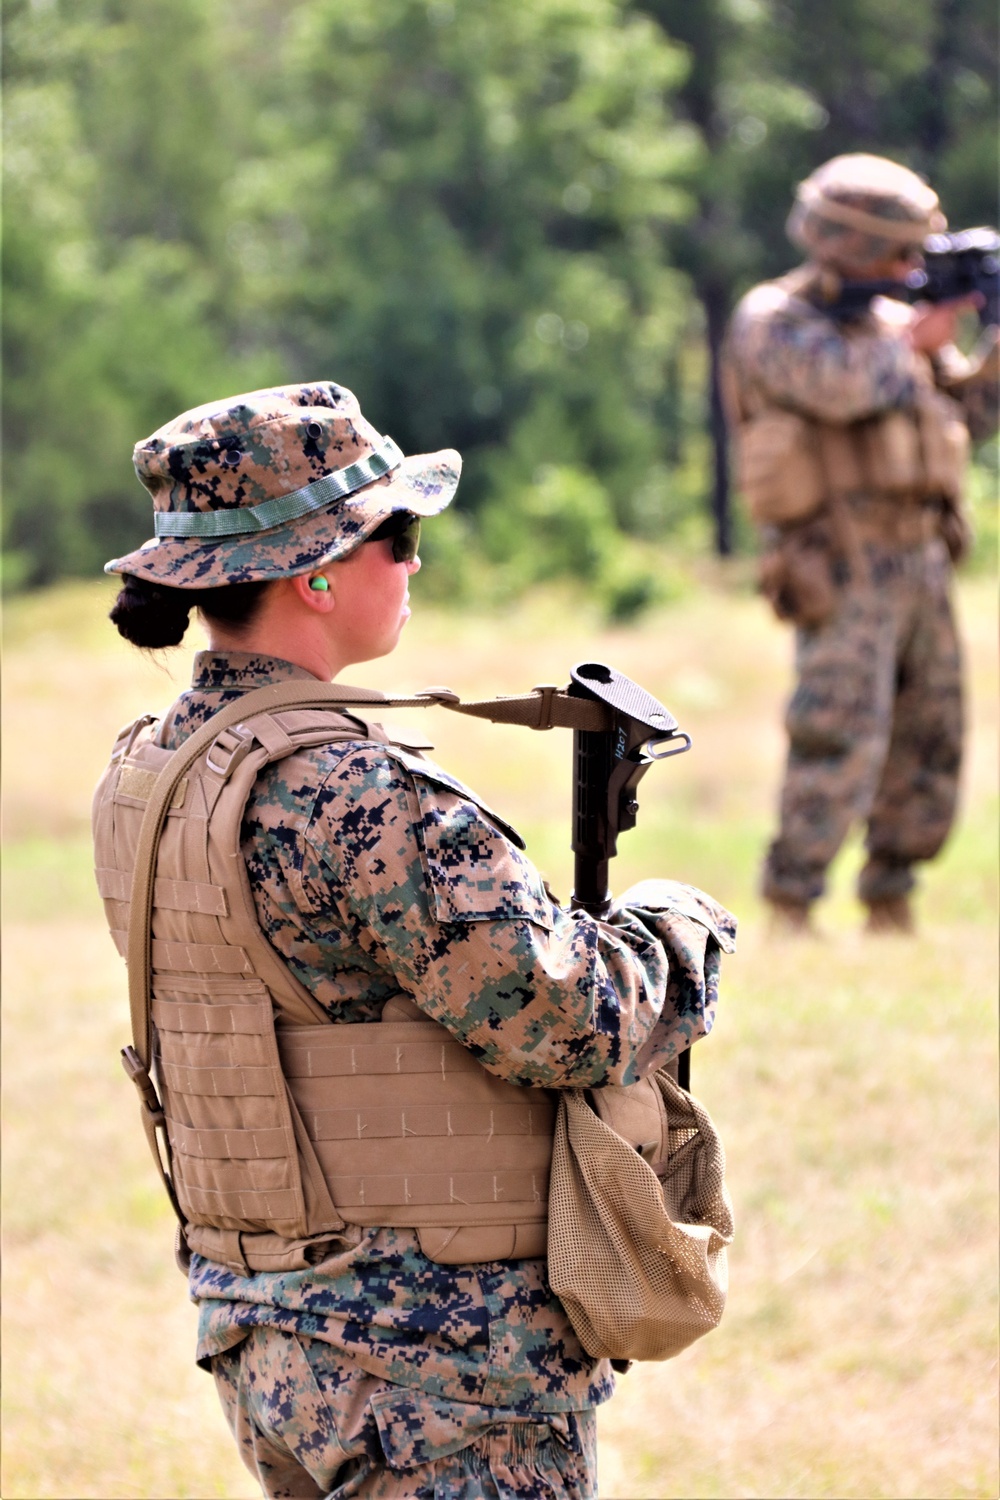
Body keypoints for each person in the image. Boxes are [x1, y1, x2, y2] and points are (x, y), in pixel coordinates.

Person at [93, 381, 736, 1499]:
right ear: (317, 570)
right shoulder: (355, 791)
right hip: (435, 1366)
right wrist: (677, 930)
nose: (416, 563)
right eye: (400, 536)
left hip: (267, 1333)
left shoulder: (145, 772)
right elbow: (568, 1021)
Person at [723, 153, 998, 934]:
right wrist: (913, 341)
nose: (910, 268)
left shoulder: (893, 327)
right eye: (899, 252)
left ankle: (892, 893)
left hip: (922, 556)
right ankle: (793, 900)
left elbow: (966, 419)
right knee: (836, 731)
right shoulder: (776, 319)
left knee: (931, 734)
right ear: (845, 244)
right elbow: (838, 389)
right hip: (840, 561)